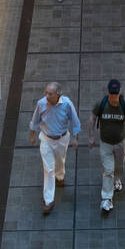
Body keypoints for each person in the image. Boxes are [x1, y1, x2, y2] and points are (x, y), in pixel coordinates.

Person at [29, 82, 81, 215]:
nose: (47, 96)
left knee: (60, 160)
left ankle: (60, 176)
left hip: (62, 139)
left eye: (50, 94)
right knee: (48, 169)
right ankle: (48, 200)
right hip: (46, 139)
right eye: (46, 92)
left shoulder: (67, 104)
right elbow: (35, 120)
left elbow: (75, 121)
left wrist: (76, 138)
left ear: (58, 94)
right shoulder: (41, 104)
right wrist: (32, 135)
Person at [89, 78, 125, 215]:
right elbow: (92, 119)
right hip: (105, 143)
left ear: (119, 93)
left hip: (120, 142)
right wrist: (91, 137)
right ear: (108, 93)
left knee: (119, 166)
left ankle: (118, 180)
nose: (114, 97)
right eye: (112, 94)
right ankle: (106, 199)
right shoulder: (102, 104)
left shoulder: (124, 105)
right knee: (108, 169)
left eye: (116, 94)